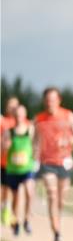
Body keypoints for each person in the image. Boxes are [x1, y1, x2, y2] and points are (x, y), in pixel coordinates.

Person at [33, 88, 73, 241]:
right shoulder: (39, 119)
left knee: (61, 200)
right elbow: (35, 142)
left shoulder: (68, 115)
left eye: (53, 99)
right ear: (44, 101)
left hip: (64, 162)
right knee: (52, 195)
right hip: (47, 163)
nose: (50, 103)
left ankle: (57, 221)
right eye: (47, 100)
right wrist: (34, 160)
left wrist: (68, 141)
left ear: (59, 100)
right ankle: (56, 232)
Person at [1, 105, 35, 235]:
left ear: (25, 116)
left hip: (27, 168)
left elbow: (36, 144)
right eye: (17, 115)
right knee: (15, 198)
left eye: (21, 115)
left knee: (29, 191)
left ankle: (27, 219)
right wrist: (5, 146)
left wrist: (36, 157)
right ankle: (15, 222)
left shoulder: (30, 130)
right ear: (14, 117)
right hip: (13, 169)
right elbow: (3, 149)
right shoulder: (9, 131)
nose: (19, 118)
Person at [1, 96, 20, 227]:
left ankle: (13, 216)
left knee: (15, 192)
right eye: (10, 105)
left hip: (17, 164)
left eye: (15, 106)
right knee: (4, 190)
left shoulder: (22, 122)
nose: (12, 108)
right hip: (2, 161)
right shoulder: (2, 121)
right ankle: (5, 212)